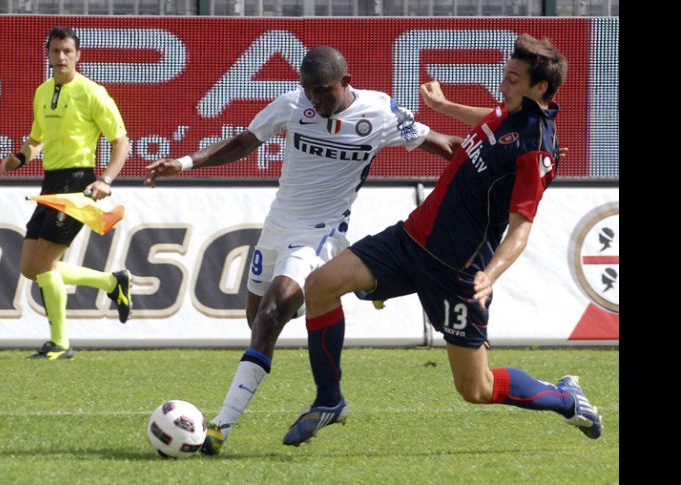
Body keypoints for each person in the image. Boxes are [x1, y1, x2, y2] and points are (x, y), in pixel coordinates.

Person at [282, 34, 603, 446]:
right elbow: (490, 120)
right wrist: (445, 108)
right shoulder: (508, 111)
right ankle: (329, 401)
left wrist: (490, 274)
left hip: (458, 272)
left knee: (477, 389)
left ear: (540, 88)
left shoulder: (536, 150)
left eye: (512, 79)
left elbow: (521, 226)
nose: (502, 86)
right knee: (321, 286)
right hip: (411, 239)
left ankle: (565, 399)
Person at [143, 46, 462, 454]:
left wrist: (510, 160)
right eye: (308, 90)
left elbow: (447, 146)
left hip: (319, 233)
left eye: (323, 91)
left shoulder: (380, 113)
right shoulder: (293, 105)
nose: (314, 99)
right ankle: (353, 286)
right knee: (258, 320)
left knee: (273, 314)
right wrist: (186, 163)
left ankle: (221, 427)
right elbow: (244, 141)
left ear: (346, 83)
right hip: (277, 227)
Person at [0, 27, 133, 360]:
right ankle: (111, 283)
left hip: (78, 183)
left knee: (44, 264)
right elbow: (37, 138)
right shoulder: (42, 92)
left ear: (78, 56)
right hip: (50, 183)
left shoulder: (93, 92)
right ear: (47, 54)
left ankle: (60, 343)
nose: (61, 57)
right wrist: (20, 156)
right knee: (30, 267)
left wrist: (105, 179)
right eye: (56, 51)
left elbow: (121, 142)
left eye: (67, 51)